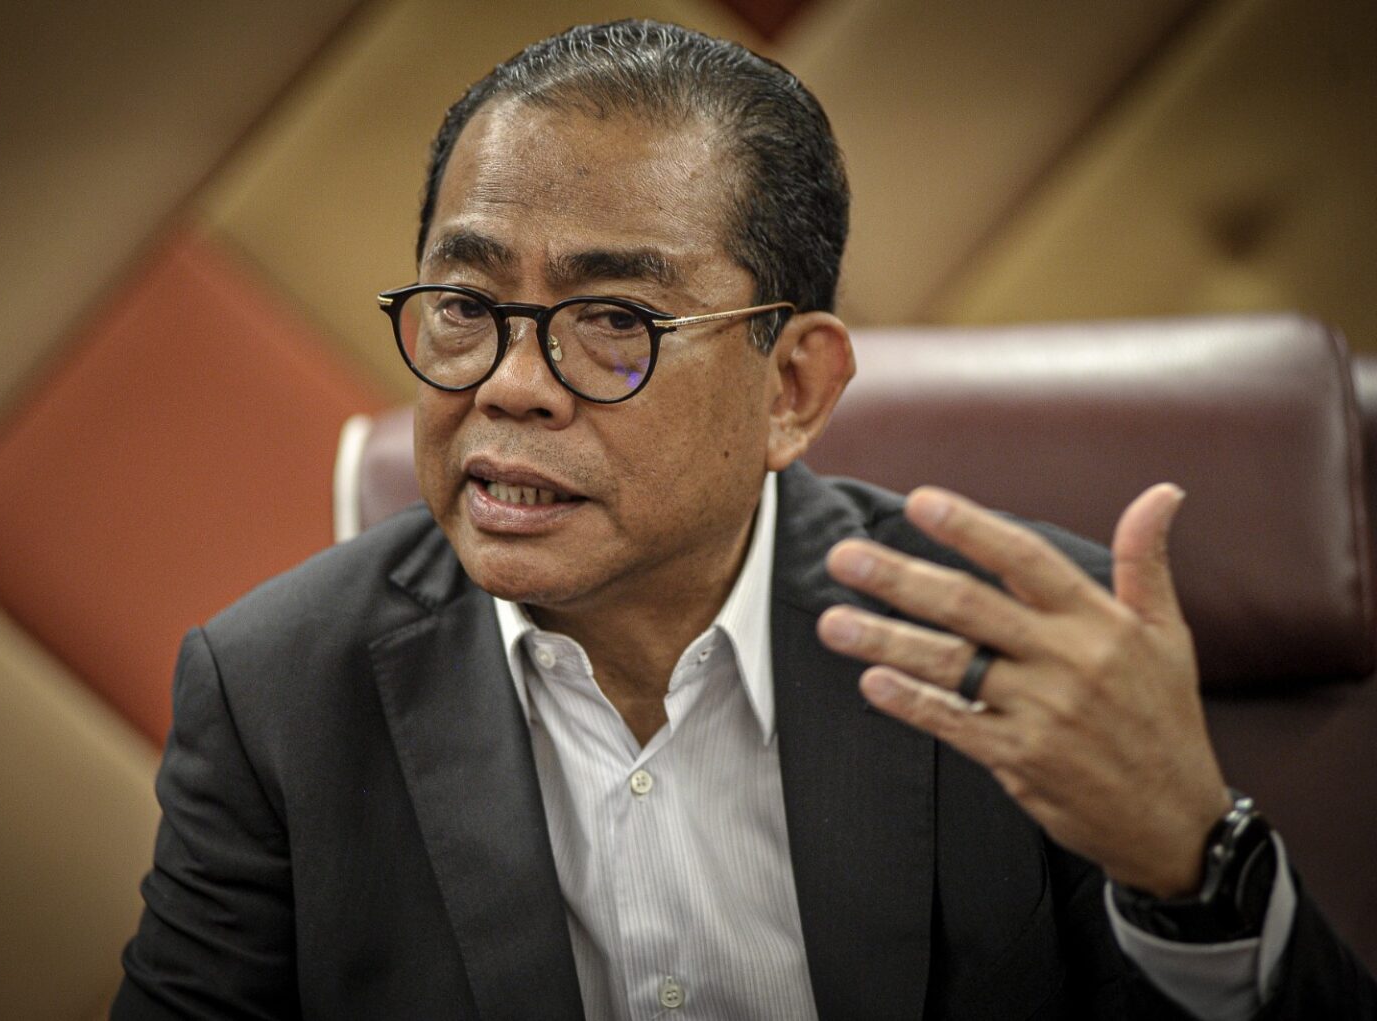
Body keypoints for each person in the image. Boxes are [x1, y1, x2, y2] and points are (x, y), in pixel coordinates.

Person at [113, 20, 1376, 1020]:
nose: (510, 383)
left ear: (793, 389)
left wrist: (1197, 868)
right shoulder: (278, 691)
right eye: (464, 305)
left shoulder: (1023, 646)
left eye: (614, 321)